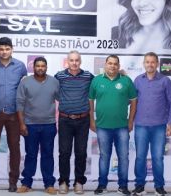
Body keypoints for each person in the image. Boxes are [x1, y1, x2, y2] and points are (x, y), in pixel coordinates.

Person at [0, 37, 27, 192]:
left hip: (14, 114)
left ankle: (13, 181)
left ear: (12, 49)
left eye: (7, 49)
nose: (4, 51)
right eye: (1, 49)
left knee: (14, 147)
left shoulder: (20, 66)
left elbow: (24, 91)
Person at [89, 55, 137, 195]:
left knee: (123, 157)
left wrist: (130, 121)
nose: (112, 66)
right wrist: (92, 120)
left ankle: (123, 186)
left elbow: (134, 101)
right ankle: (102, 185)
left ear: (118, 65)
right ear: (105, 64)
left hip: (122, 127)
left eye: (115, 64)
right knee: (104, 156)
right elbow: (90, 101)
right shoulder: (97, 80)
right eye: (110, 63)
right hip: (102, 126)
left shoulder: (126, 81)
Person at [132, 52, 171, 196]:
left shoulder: (165, 81)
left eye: (152, 62)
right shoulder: (138, 80)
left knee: (157, 157)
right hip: (141, 125)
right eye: (147, 62)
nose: (150, 64)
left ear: (157, 64)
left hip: (159, 126)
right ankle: (139, 186)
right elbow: (131, 102)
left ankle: (159, 186)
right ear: (143, 64)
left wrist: (170, 123)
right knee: (140, 157)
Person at [16, 57, 59, 195]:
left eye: (43, 66)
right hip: (30, 125)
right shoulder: (25, 82)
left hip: (49, 125)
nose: (40, 68)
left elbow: (62, 99)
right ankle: (26, 183)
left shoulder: (54, 82)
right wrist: (22, 124)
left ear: (46, 67)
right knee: (31, 155)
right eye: (38, 66)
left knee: (47, 155)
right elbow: (19, 104)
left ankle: (49, 184)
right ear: (33, 67)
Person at [55, 50, 94, 195]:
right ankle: (63, 182)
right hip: (65, 119)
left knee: (81, 152)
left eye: (77, 60)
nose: (74, 63)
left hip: (83, 119)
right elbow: (50, 89)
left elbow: (101, 84)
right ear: (67, 61)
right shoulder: (59, 76)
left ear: (80, 61)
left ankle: (79, 182)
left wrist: (121, 73)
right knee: (64, 152)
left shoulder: (88, 76)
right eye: (71, 60)